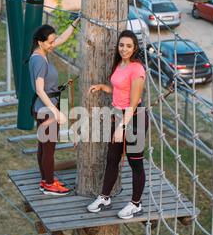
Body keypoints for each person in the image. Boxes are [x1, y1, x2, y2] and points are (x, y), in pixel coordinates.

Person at [86, 30, 148, 219]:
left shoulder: (137, 69)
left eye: (129, 46)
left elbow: (133, 101)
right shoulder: (120, 64)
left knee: (134, 162)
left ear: (135, 47)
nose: (124, 49)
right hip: (118, 116)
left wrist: (122, 127)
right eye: (122, 45)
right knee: (112, 158)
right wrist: (104, 88)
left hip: (134, 119)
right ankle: (105, 197)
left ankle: (136, 204)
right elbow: (120, 90)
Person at [28, 19, 80, 196]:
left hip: (43, 108)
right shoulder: (40, 61)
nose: (53, 45)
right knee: (48, 149)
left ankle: (46, 179)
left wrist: (75, 24)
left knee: (44, 147)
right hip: (46, 110)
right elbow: (39, 90)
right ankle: (49, 184)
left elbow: (62, 39)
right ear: (40, 42)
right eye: (50, 42)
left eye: (53, 41)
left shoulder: (41, 53)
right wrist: (56, 112)